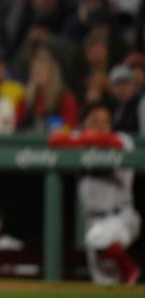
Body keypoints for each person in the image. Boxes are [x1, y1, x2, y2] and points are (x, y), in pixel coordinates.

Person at [49, 101, 141, 285]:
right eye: (94, 121)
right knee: (104, 285)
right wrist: (80, 138)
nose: (100, 126)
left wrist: (80, 139)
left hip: (121, 217)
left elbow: (108, 141)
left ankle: (130, 267)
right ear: (83, 124)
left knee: (97, 239)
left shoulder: (124, 140)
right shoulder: (79, 140)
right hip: (92, 220)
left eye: (105, 121)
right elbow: (54, 140)